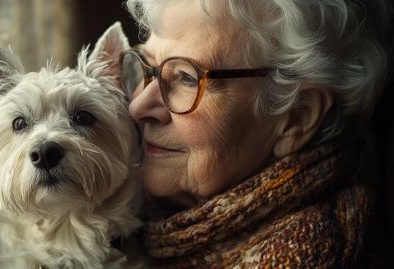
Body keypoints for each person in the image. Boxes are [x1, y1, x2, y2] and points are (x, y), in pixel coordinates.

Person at [120, 0, 393, 267]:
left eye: (187, 78)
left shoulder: (304, 255)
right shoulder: (135, 221)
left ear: (298, 116)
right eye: (147, 66)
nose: (138, 106)